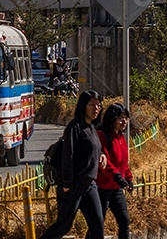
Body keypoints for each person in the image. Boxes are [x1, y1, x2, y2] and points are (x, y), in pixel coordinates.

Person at [37, 89, 106, 239]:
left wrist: (101, 156)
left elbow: (93, 149)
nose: (96, 109)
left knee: (97, 225)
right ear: (83, 106)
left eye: (98, 105)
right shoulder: (74, 128)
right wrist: (67, 183)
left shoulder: (92, 128)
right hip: (74, 185)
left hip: (89, 184)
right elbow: (67, 155)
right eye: (92, 105)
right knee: (63, 225)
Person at [96, 103, 134, 239]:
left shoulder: (121, 137)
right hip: (102, 188)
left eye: (126, 118)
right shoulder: (102, 136)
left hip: (116, 188)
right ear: (112, 119)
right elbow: (104, 163)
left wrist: (128, 178)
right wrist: (118, 177)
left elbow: (123, 162)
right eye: (120, 118)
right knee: (98, 224)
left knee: (124, 221)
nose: (124, 122)